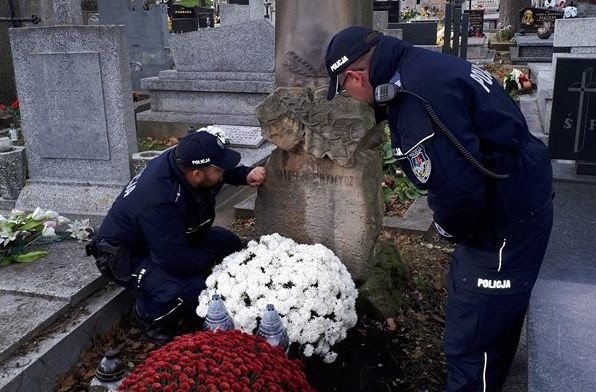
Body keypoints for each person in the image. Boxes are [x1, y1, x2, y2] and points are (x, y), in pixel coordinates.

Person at [325, 26, 553, 391]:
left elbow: (457, 191)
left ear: (354, 75)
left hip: (501, 220)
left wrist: (449, 230)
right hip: (517, 192)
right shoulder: (420, 64)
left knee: (473, 342)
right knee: (492, 321)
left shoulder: (414, 100)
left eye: (345, 90)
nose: (351, 99)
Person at [87, 130, 266, 344]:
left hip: (161, 238)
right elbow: (174, 260)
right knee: (188, 290)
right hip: (125, 255)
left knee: (228, 243)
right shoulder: (160, 198)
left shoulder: (184, 162)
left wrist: (244, 175)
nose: (223, 170)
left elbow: (217, 172)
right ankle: (149, 316)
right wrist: (212, 267)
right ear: (197, 175)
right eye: (219, 168)